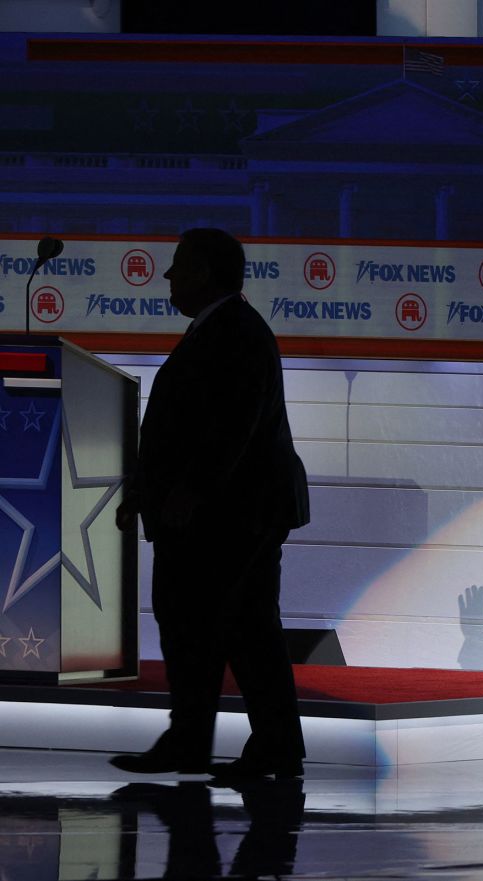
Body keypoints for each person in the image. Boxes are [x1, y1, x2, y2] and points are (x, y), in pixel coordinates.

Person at [111, 228, 310, 778]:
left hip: (227, 516)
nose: (168, 278)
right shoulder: (223, 329)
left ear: (206, 273)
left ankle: (204, 741)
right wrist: (147, 493)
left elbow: (230, 430)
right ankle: (264, 746)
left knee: (204, 627)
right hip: (226, 512)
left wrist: (186, 495)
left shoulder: (236, 332)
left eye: (178, 267)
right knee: (244, 632)